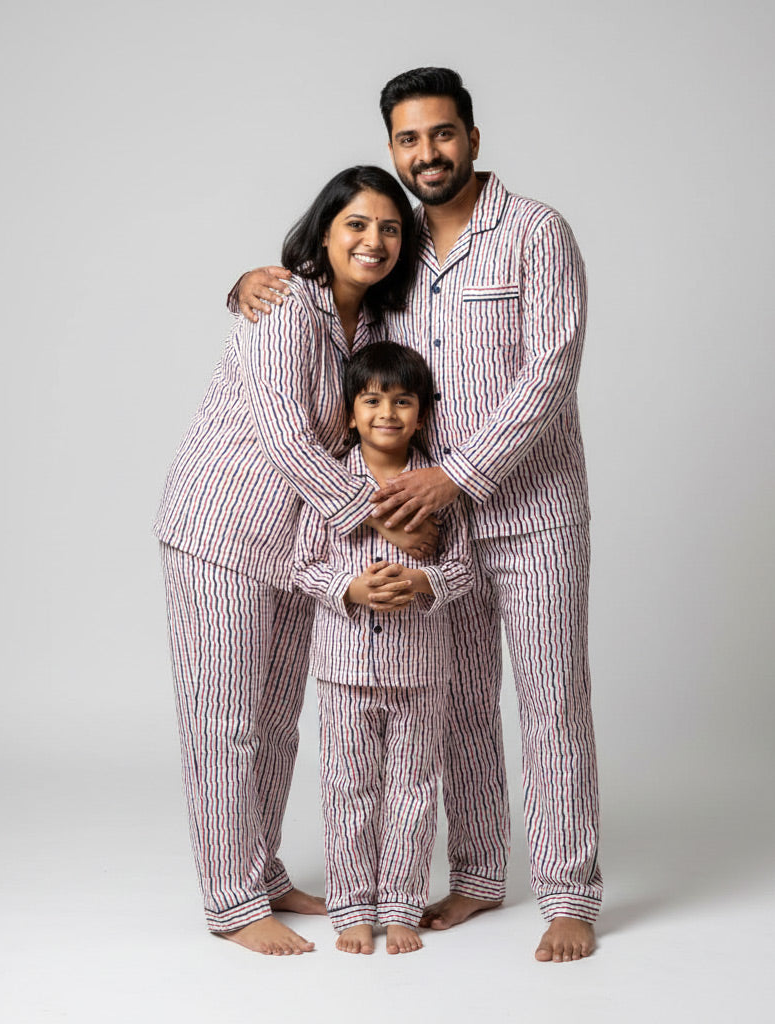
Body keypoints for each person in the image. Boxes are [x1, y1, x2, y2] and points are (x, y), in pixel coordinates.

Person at [233, 68, 600, 962]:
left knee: (551, 700)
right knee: (465, 703)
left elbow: (550, 371)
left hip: (532, 508)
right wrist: (248, 283)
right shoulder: (389, 256)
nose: (426, 154)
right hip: (421, 527)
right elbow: (339, 330)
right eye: (408, 139)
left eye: (441, 135)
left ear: (473, 137)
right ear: (394, 147)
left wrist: (456, 478)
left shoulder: (536, 232)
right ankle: (477, 877)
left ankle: (571, 895)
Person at [155, 165, 428, 956]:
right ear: (325, 231)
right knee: (225, 722)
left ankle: (262, 871)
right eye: (357, 225)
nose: (373, 241)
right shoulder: (284, 304)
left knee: (274, 722)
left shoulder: (372, 330)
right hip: (219, 531)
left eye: (389, 229)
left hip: (295, 547)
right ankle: (232, 902)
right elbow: (285, 436)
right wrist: (378, 517)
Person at [294, 342, 472, 956]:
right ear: (350, 412)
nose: (386, 413)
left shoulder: (438, 487)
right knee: (348, 787)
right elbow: (303, 567)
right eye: (371, 400)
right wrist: (351, 587)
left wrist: (424, 582)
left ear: (421, 414)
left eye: (402, 401)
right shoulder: (328, 486)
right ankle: (350, 908)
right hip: (342, 668)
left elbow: (466, 570)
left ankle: (399, 905)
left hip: (420, 671)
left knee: (414, 788)